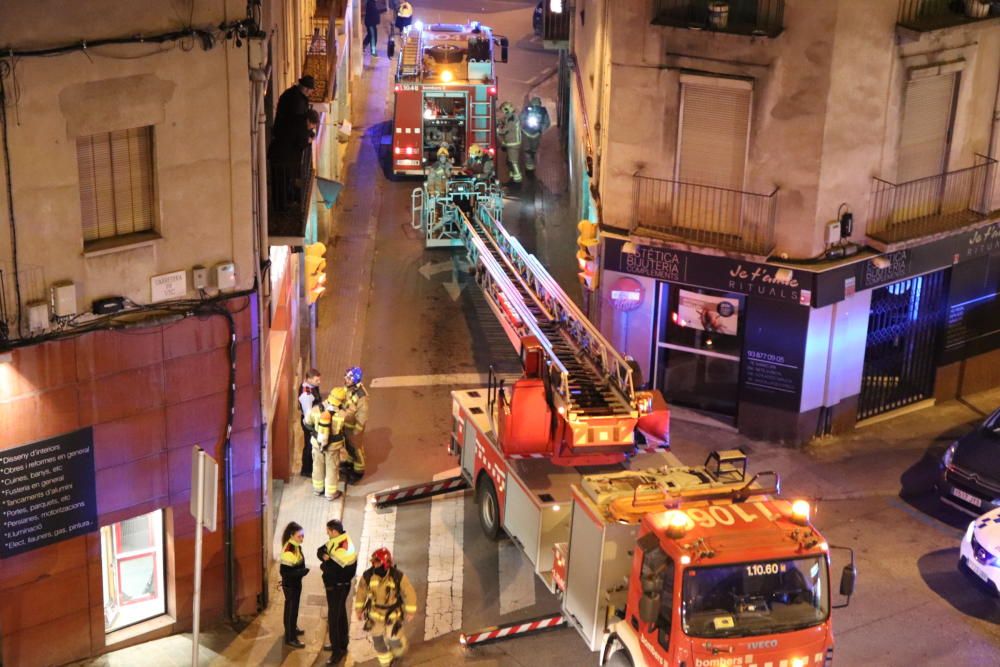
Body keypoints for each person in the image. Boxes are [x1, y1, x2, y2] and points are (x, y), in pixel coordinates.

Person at [354, 548, 417, 667]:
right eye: (373, 562)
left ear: (385, 563)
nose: (374, 564)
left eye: (377, 562)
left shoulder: (397, 576)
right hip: (375, 614)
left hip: (392, 614)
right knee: (378, 643)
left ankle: (398, 655)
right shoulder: (368, 576)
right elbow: (361, 593)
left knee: (394, 641)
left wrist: (411, 611)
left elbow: (409, 591)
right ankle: (386, 663)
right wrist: (359, 610)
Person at [270, 75, 316, 205]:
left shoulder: (289, 94)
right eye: (310, 91)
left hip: (281, 145)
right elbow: (298, 125)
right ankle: (284, 205)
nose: (310, 94)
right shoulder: (298, 102)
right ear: (307, 90)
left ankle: (282, 203)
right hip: (287, 150)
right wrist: (307, 138)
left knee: (281, 181)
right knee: (285, 180)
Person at [318, 519, 358, 664]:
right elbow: (320, 551)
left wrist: (324, 565)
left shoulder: (343, 550)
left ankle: (336, 653)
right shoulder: (339, 539)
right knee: (340, 613)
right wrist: (324, 558)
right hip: (338, 586)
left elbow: (332, 571)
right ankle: (342, 644)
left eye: (328, 531)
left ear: (334, 531)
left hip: (338, 587)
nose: (326, 533)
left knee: (333, 619)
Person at [312, 388, 348, 501]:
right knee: (332, 469)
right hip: (333, 447)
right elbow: (346, 428)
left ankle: (318, 489)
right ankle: (330, 493)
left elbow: (307, 422)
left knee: (317, 466)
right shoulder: (342, 415)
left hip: (317, 445)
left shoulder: (316, 409)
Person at [280, 521, 310, 649]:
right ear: (292, 535)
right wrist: (302, 572)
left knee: (292, 608)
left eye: (302, 536)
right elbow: (285, 572)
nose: (302, 538)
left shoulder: (295, 545)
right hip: (291, 585)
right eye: (299, 536)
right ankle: (290, 637)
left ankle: (292, 628)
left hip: (295, 583)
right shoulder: (289, 550)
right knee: (291, 610)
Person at [341, 366, 369, 483]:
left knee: (356, 448)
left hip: (354, 427)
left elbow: (362, 415)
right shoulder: (348, 388)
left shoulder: (361, 395)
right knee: (348, 446)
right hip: (347, 425)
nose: (345, 379)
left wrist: (357, 431)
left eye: (348, 378)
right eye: (346, 377)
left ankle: (358, 471)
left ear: (355, 380)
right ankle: (350, 463)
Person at [298, 369, 322, 477]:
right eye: (317, 380)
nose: (319, 382)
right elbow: (308, 414)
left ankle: (309, 468)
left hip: (312, 421)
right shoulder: (306, 395)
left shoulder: (312, 387)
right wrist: (312, 427)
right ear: (309, 379)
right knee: (309, 445)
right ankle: (307, 470)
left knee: (311, 444)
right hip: (309, 423)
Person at [519, 96, 551, 171]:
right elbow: (547, 122)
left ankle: (529, 167)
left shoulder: (527, 109)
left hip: (526, 133)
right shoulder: (543, 111)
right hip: (537, 134)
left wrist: (522, 127)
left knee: (527, 150)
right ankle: (531, 163)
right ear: (540, 103)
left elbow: (521, 118)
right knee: (533, 150)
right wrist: (541, 130)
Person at [496, 101, 523, 183]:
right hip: (511, 143)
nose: (502, 113)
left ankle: (517, 182)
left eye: (503, 111)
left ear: (507, 110)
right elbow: (504, 121)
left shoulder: (512, 119)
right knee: (509, 162)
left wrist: (496, 129)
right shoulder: (511, 117)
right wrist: (499, 121)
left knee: (513, 162)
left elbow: (504, 131)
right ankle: (512, 178)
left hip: (513, 144)